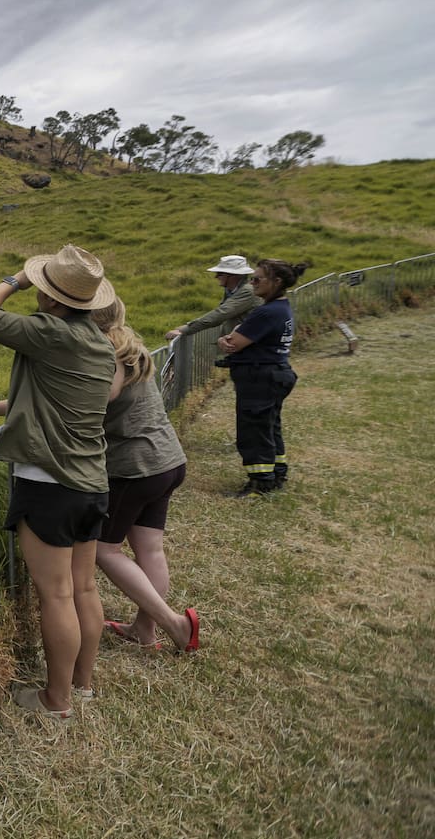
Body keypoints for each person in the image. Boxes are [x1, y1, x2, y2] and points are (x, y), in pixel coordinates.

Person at [0, 244, 116, 719]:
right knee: (84, 589)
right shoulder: (98, 342)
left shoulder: (50, 331)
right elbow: (53, 396)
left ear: (51, 297)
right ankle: (83, 686)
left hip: (49, 483)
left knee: (56, 595)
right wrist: (0, 404)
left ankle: (57, 701)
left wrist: (17, 280)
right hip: (92, 481)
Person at [91, 297, 199, 652]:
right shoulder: (131, 347)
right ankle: (144, 629)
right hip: (168, 460)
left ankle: (173, 625)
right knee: (149, 550)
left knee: (104, 550)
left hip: (134, 468)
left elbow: (88, 401)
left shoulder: (103, 356)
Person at [218, 259, 309, 495]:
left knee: (253, 431)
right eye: (251, 278)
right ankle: (277, 471)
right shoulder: (281, 308)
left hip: (260, 377)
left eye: (257, 279)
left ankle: (261, 481)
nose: (253, 283)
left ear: (276, 282)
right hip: (274, 375)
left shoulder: (265, 313)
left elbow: (233, 343)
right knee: (269, 427)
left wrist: (225, 340)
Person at [164, 256, 260, 363]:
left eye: (220, 274)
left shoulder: (247, 291)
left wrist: (185, 329)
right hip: (244, 349)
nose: (216, 277)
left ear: (233, 276)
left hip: (251, 351)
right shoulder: (233, 290)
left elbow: (220, 314)